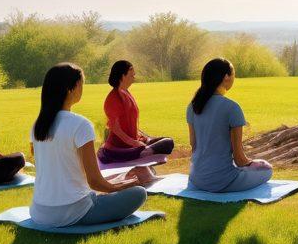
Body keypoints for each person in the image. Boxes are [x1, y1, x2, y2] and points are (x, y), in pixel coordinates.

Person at [29, 63, 153, 228]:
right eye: (81, 84)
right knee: (139, 193)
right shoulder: (80, 125)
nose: (82, 88)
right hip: (74, 212)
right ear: (70, 89)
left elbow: (61, 172)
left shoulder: (38, 125)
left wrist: (116, 183)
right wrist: (129, 184)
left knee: (112, 185)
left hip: (40, 211)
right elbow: (95, 183)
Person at [186, 58, 273, 193]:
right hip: (222, 182)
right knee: (267, 169)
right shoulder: (232, 107)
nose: (234, 77)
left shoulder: (193, 106)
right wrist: (255, 163)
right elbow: (239, 160)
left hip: (196, 178)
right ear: (226, 77)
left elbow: (194, 145)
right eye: (233, 74)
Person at [97, 60, 175, 165]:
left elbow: (129, 123)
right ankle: (142, 152)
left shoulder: (126, 92)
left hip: (132, 142)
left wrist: (144, 138)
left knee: (168, 141)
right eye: (131, 72)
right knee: (166, 144)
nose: (134, 75)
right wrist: (134, 143)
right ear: (123, 76)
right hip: (119, 149)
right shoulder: (113, 98)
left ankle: (144, 149)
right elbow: (115, 128)